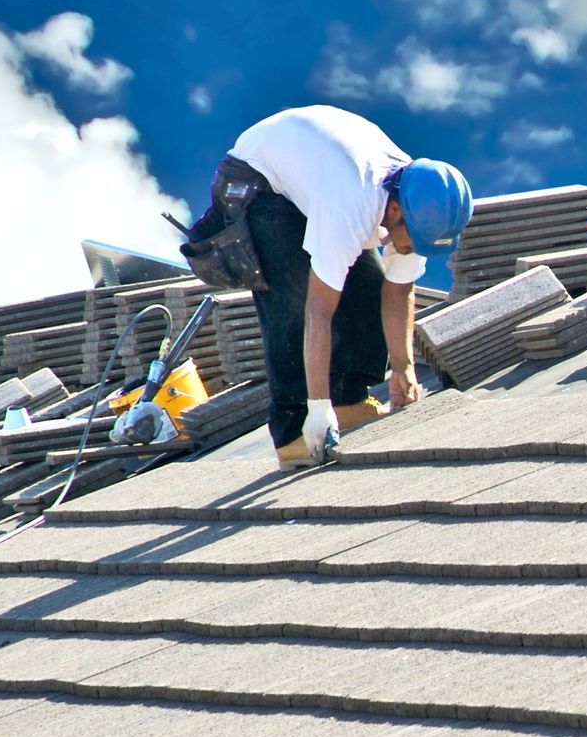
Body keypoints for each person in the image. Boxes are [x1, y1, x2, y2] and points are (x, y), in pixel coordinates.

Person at [195, 105, 472, 468]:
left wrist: (404, 368)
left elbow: (398, 290)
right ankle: (294, 430)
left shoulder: (417, 201)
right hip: (258, 181)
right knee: (292, 296)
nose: (411, 250)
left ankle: (348, 400)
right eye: (412, 242)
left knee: (371, 284)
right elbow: (318, 313)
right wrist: (317, 409)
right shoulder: (351, 205)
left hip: (313, 173)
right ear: (393, 213)